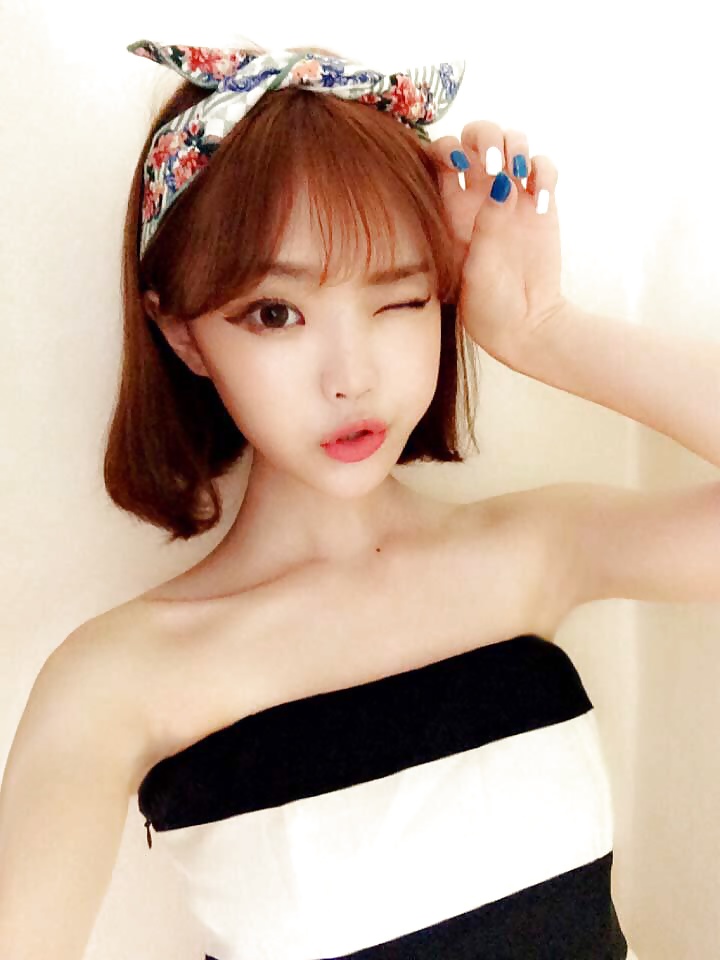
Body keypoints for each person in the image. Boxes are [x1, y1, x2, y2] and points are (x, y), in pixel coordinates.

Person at [2, 37, 718, 960]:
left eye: (400, 300)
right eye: (275, 313)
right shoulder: (120, 679)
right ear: (182, 336)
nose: (352, 377)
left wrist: (544, 330)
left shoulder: (531, 551)